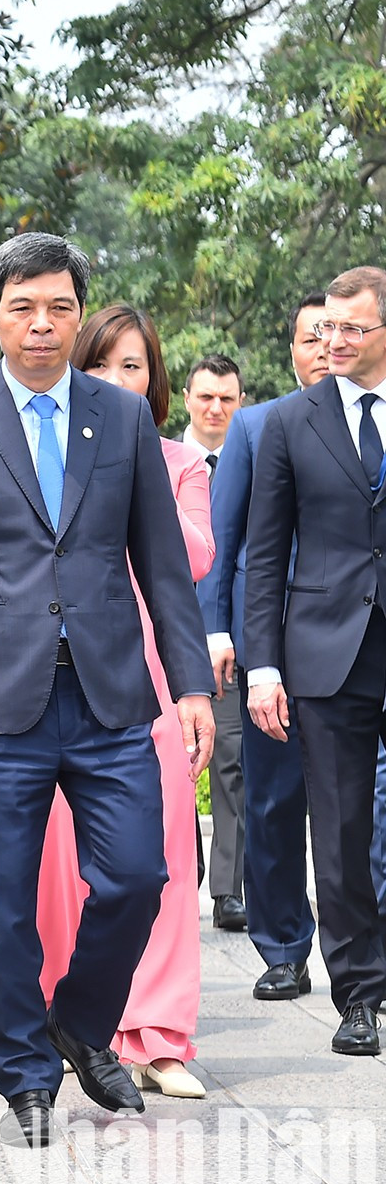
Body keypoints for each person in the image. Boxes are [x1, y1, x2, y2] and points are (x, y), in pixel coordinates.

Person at [0, 232, 214, 1149]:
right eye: (25, 307)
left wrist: (190, 686)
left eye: (61, 307)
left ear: (79, 315)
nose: (43, 324)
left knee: (138, 877)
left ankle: (78, 1018)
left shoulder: (120, 422)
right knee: (0, 899)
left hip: (112, 693)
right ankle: (25, 1075)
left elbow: (161, 562)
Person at [34, 305, 213, 1099]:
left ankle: (162, 1034)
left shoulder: (179, 464)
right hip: (62, 673)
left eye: (131, 367)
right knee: (64, 856)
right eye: (99, 367)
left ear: (155, 378)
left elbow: (196, 556)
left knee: (160, 853)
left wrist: (131, 476)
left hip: (154, 675)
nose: (115, 382)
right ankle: (77, 1018)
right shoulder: (46, 453)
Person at [244, 265, 386, 1057]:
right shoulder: (289, 424)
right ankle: (358, 993)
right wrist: (263, 664)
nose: (333, 342)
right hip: (326, 649)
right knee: (337, 828)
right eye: (326, 327)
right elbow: (263, 557)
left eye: (352, 329)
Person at [198, 296, 327, 1001]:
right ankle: (283, 948)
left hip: (355, 642)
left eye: (336, 334)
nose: (324, 348)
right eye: (311, 337)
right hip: (270, 640)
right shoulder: (257, 424)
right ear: (293, 349)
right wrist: (217, 630)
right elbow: (225, 538)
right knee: (273, 803)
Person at [182, 354, 249, 931]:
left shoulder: (249, 460)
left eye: (227, 398)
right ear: (186, 399)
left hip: (228, 642)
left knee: (228, 763)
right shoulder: (161, 457)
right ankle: (182, 870)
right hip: (163, 636)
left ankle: (228, 887)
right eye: (206, 396)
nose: (216, 408)